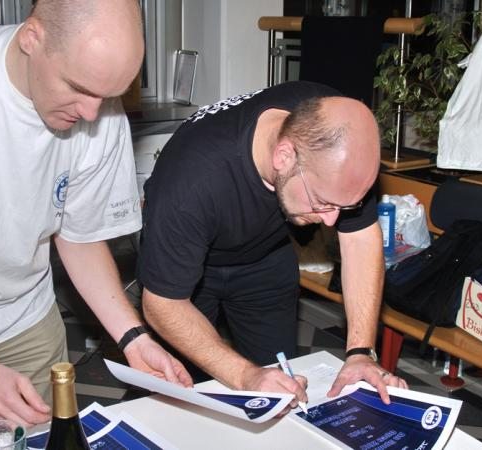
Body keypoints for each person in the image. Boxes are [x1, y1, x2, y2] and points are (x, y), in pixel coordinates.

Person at [0, 0, 191, 427]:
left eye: (107, 95)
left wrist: (134, 338)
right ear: (32, 37)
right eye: (79, 88)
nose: (92, 114)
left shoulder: (99, 111)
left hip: (26, 321)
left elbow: (80, 238)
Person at [137, 81, 409, 408]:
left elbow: (360, 237)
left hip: (266, 257)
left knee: (281, 389)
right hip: (191, 271)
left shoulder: (334, 129)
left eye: (344, 207)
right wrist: (244, 376)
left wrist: (360, 352)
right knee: (182, 395)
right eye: (322, 202)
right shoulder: (190, 181)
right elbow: (163, 303)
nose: (331, 221)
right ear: (283, 156)